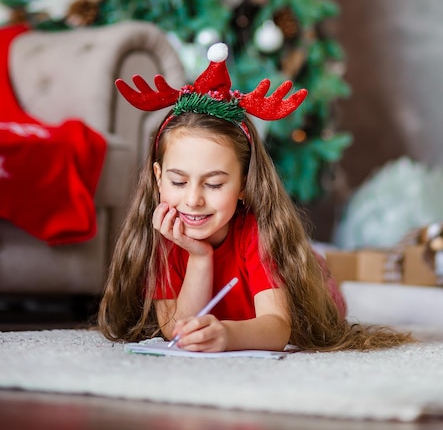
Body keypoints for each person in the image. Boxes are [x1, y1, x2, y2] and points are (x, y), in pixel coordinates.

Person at [98, 43, 413, 352]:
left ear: (245, 184)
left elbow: (276, 327)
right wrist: (200, 255)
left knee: (327, 277)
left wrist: (228, 335)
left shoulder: (258, 234)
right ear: (157, 177)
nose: (192, 199)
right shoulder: (165, 236)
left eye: (214, 184)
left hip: (309, 282)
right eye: (178, 181)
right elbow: (177, 330)